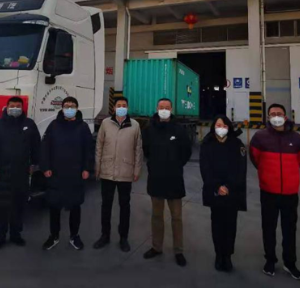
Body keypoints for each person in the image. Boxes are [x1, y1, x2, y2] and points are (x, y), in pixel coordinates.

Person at [250, 103, 300, 280]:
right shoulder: (260, 137)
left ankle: (290, 263)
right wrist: (267, 175)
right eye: (272, 114)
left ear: (285, 116)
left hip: (290, 192)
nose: (276, 116)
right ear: (268, 117)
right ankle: (270, 260)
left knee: (289, 229)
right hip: (268, 191)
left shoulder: (296, 139)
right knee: (269, 227)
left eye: (279, 113)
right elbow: (255, 158)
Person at [0, 96, 41, 251]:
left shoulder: (29, 125)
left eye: (18, 106)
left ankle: (16, 235)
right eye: (12, 106)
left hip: (21, 173)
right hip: (2, 173)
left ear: (22, 108)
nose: (15, 108)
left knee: (18, 206)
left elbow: (36, 146)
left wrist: (35, 164)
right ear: (7, 107)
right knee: (1, 206)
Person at [141, 98, 192, 267]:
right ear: (157, 108)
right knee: (157, 216)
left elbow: (186, 151)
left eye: (167, 107)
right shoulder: (149, 129)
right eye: (161, 107)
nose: (164, 110)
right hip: (156, 178)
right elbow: (146, 150)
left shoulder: (179, 129)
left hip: (174, 179)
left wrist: (175, 165)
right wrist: (154, 165)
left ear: (171, 109)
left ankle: (178, 250)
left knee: (176, 217)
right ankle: (157, 247)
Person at [40, 96, 93, 251]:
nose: (69, 108)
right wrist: (45, 167)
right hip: (56, 174)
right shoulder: (54, 125)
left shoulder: (83, 127)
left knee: (75, 206)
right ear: (62, 108)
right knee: (54, 207)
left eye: (72, 106)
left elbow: (88, 150)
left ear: (77, 108)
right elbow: (45, 147)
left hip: (75, 174)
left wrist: (86, 169)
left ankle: (74, 236)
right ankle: (54, 236)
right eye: (66, 106)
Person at [93, 96, 143, 252]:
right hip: (107, 171)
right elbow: (99, 146)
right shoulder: (106, 123)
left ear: (127, 108)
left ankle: (123, 238)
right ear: (114, 108)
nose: (121, 107)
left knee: (124, 206)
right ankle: (105, 235)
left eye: (124, 105)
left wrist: (137, 169)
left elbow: (138, 149)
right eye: (119, 105)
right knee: (106, 205)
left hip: (125, 172)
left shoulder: (135, 125)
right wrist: (98, 166)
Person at [199, 115, 247, 272]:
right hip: (215, 192)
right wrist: (217, 186)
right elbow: (205, 168)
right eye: (218, 125)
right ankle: (219, 255)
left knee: (230, 225)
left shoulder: (237, 145)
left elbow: (240, 169)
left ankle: (228, 256)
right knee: (217, 225)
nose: (221, 128)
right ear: (213, 127)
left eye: (224, 126)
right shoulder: (207, 144)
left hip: (232, 192)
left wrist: (228, 186)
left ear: (229, 128)